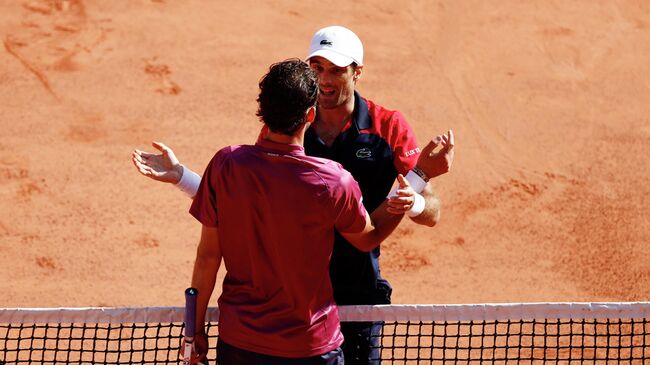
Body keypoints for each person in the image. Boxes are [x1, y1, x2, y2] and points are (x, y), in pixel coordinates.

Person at [133, 26, 454, 364]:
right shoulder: (303, 135)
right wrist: (183, 178)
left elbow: (430, 211)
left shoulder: (387, 127)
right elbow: (256, 198)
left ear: (357, 72)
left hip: (354, 291)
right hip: (301, 309)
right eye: (317, 68)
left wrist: (415, 199)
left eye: (336, 70)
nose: (325, 79)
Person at [182, 58, 417, 364]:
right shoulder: (334, 180)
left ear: (262, 111)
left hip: (239, 343)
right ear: (310, 114)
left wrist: (194, 329)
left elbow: (208, 257)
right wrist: (414, 183)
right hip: (311, 348)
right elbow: (367, 238)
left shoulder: (226, 163)